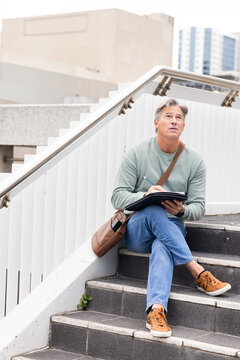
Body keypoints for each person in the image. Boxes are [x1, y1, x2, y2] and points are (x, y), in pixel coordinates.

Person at [111, 98, 231, 338]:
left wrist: (182, 211)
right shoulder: (136, 154)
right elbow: (117, 197)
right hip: (138, 229)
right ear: (156, 122)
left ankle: (156, 312)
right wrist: (145, 194)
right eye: (168, 116)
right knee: (154, 209)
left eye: (179, 118)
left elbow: (199, 207)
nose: (174, 121)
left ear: (183, 126)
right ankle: (197, 271)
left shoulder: (194, 161)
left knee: (162, 246)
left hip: (173, 227)